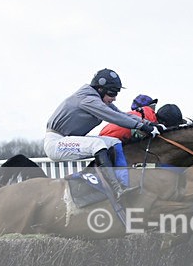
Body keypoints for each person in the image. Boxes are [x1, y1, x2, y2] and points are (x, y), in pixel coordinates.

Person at [44, 69, 159, 198]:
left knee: (113, 142)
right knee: (97, 144)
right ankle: (116, 189)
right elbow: (113, 117)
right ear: (100, 89)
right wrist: (142, 126)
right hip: (56, 143)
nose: (114, 98)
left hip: (68, 139)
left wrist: (149, 124)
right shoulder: (88, 100)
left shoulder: (97, 99)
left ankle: (125, 184)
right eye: (112, 93)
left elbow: (121, 114)